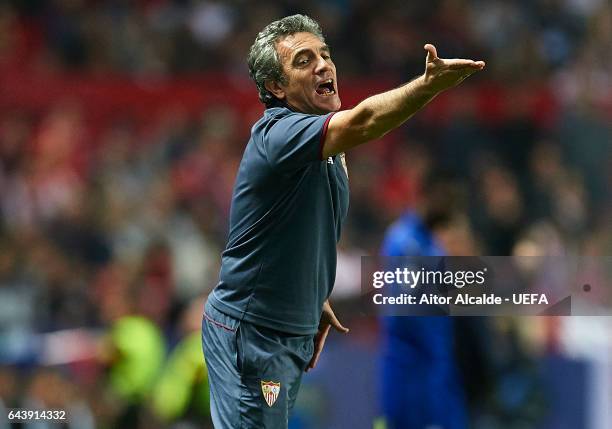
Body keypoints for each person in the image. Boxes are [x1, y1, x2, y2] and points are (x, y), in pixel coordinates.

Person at [201, 14, 485, 429]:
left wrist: (314, 295)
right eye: (303, 60)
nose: (322, 65)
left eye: (325, 54)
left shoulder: (327, 151)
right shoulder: (279, 135)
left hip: (286, 328)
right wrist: (428, 86)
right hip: (253, 331)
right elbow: (365, 119)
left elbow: (297, 229)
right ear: (276, 87)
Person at [379, 174, 471, 429]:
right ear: (432, 196)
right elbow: (407, 308)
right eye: (449, 202)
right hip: (407, 365)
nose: (452, 211)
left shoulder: (433, 246)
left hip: (435, 365)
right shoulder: (403, 240)